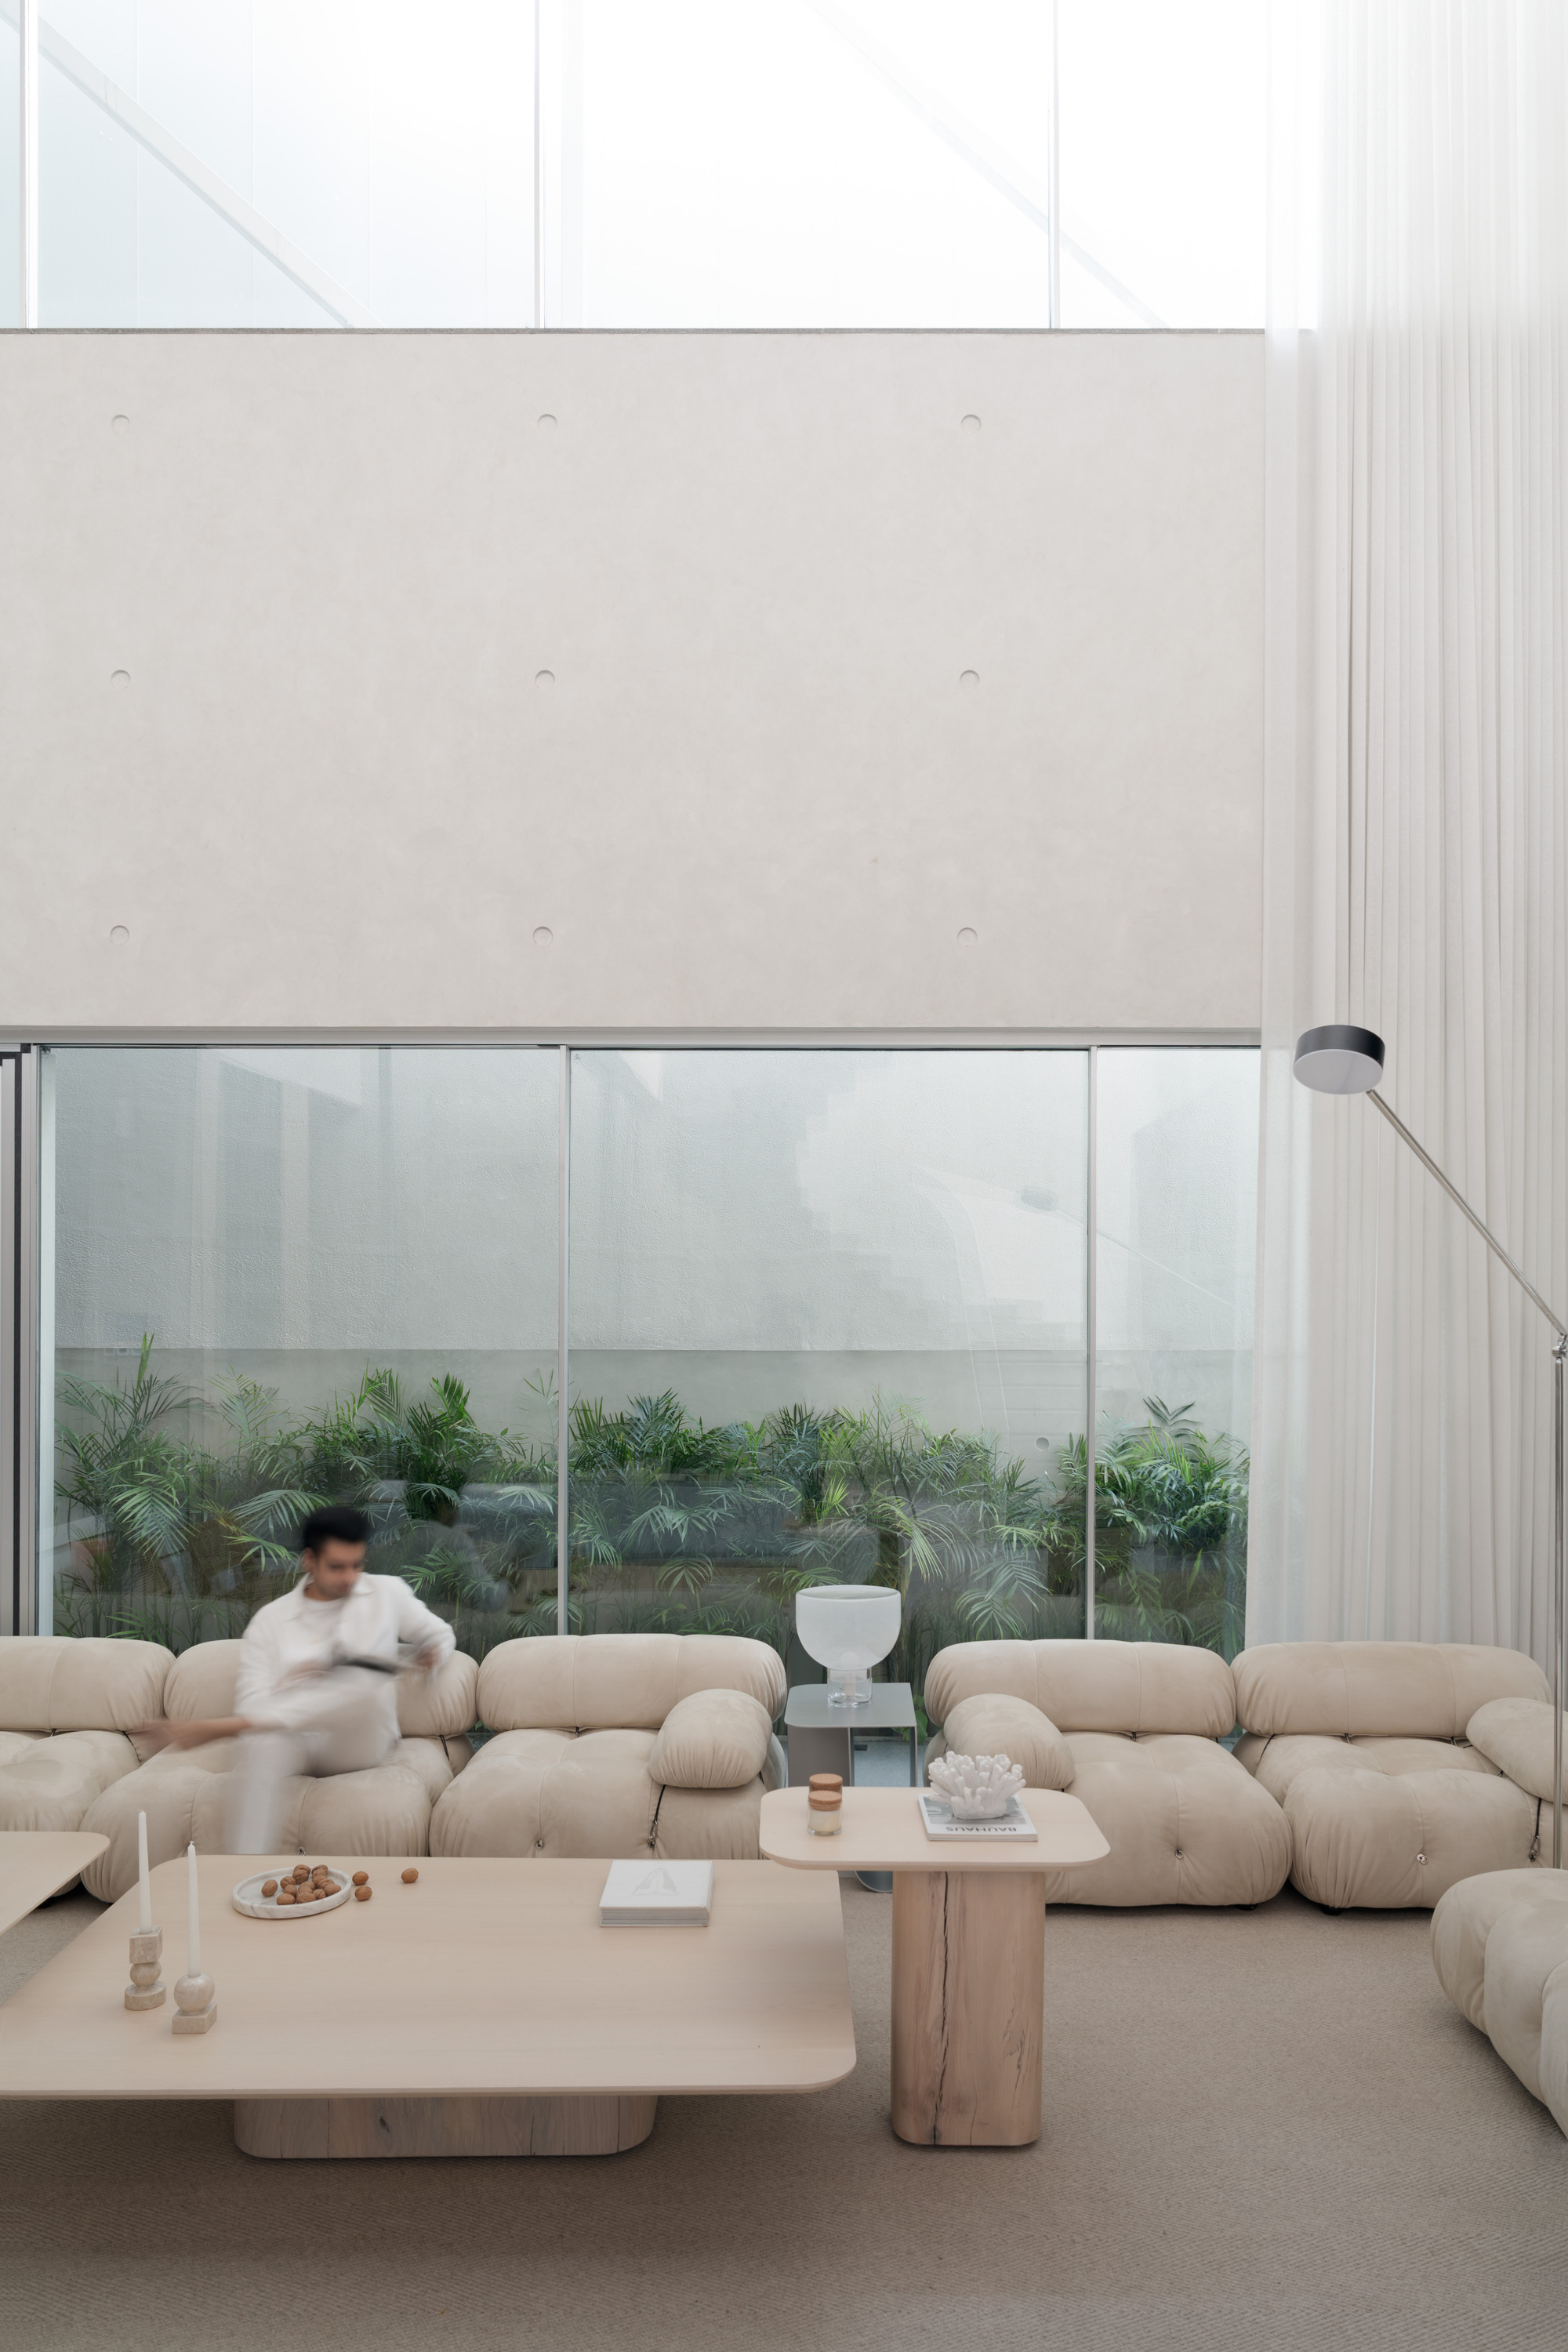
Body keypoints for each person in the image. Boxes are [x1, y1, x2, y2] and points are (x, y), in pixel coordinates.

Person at [139, 1504, 455, 1853]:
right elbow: (254, 1706)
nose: (350, 1577)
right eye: (336, 1566)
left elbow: (440, 1634)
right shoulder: (270, 1621)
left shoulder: (387, 1593)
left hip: (359, 1741)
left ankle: (217, 1728)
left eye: (357, 1564)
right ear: (309, 1560)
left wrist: (431, 1654)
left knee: (364, 1682)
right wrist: (301, 1682)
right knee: (264, 1742)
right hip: (293, 1740)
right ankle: (245, 1868)